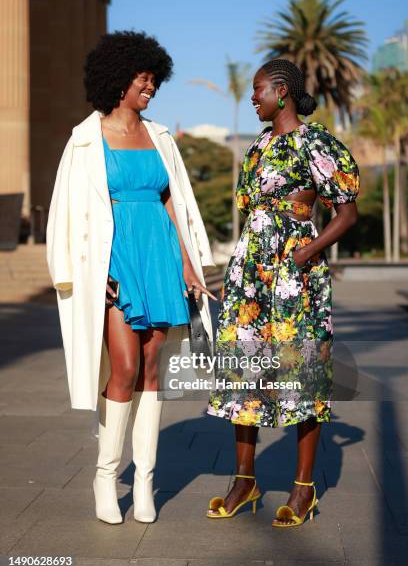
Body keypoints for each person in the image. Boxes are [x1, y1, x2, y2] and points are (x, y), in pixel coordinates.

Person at [46, 31, 216, 525]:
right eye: (145, 79)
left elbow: (174, 202)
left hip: (160, 254)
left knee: (150, 366)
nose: (152, 88)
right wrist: (82, 271)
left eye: (155, 79)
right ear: (119, 79)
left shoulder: (160, 136)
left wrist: (187, 261)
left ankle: (144, 481)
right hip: (113, 258)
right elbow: (66, 211)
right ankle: (105, 475)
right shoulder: (84, 138)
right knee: (121, 365)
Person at [207, 59, 359, 527]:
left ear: (281, 91)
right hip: (251, 271)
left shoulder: (315, 144)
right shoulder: (257, 146)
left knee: (301, 371)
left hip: (296, 277)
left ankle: (303, 489)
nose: (253, 99)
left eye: (258, 91)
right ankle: (244, 481)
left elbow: (347, 212)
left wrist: (306, 251)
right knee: (244, 369)